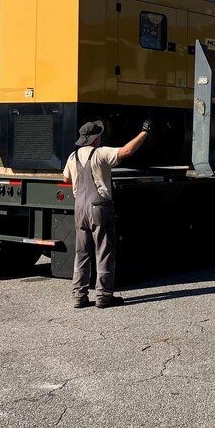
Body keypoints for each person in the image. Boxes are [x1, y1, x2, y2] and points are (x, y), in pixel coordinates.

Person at [63, 118, 151, 308]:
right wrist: (144, 132)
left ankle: (79, 295)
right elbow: (126, 151)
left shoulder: (72, 157)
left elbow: (65, 177)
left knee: (81, 253)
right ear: (96, 139)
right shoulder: (100, 153)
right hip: (99, 207)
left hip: (79, 207)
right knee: (104, 251)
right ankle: (103, 295)